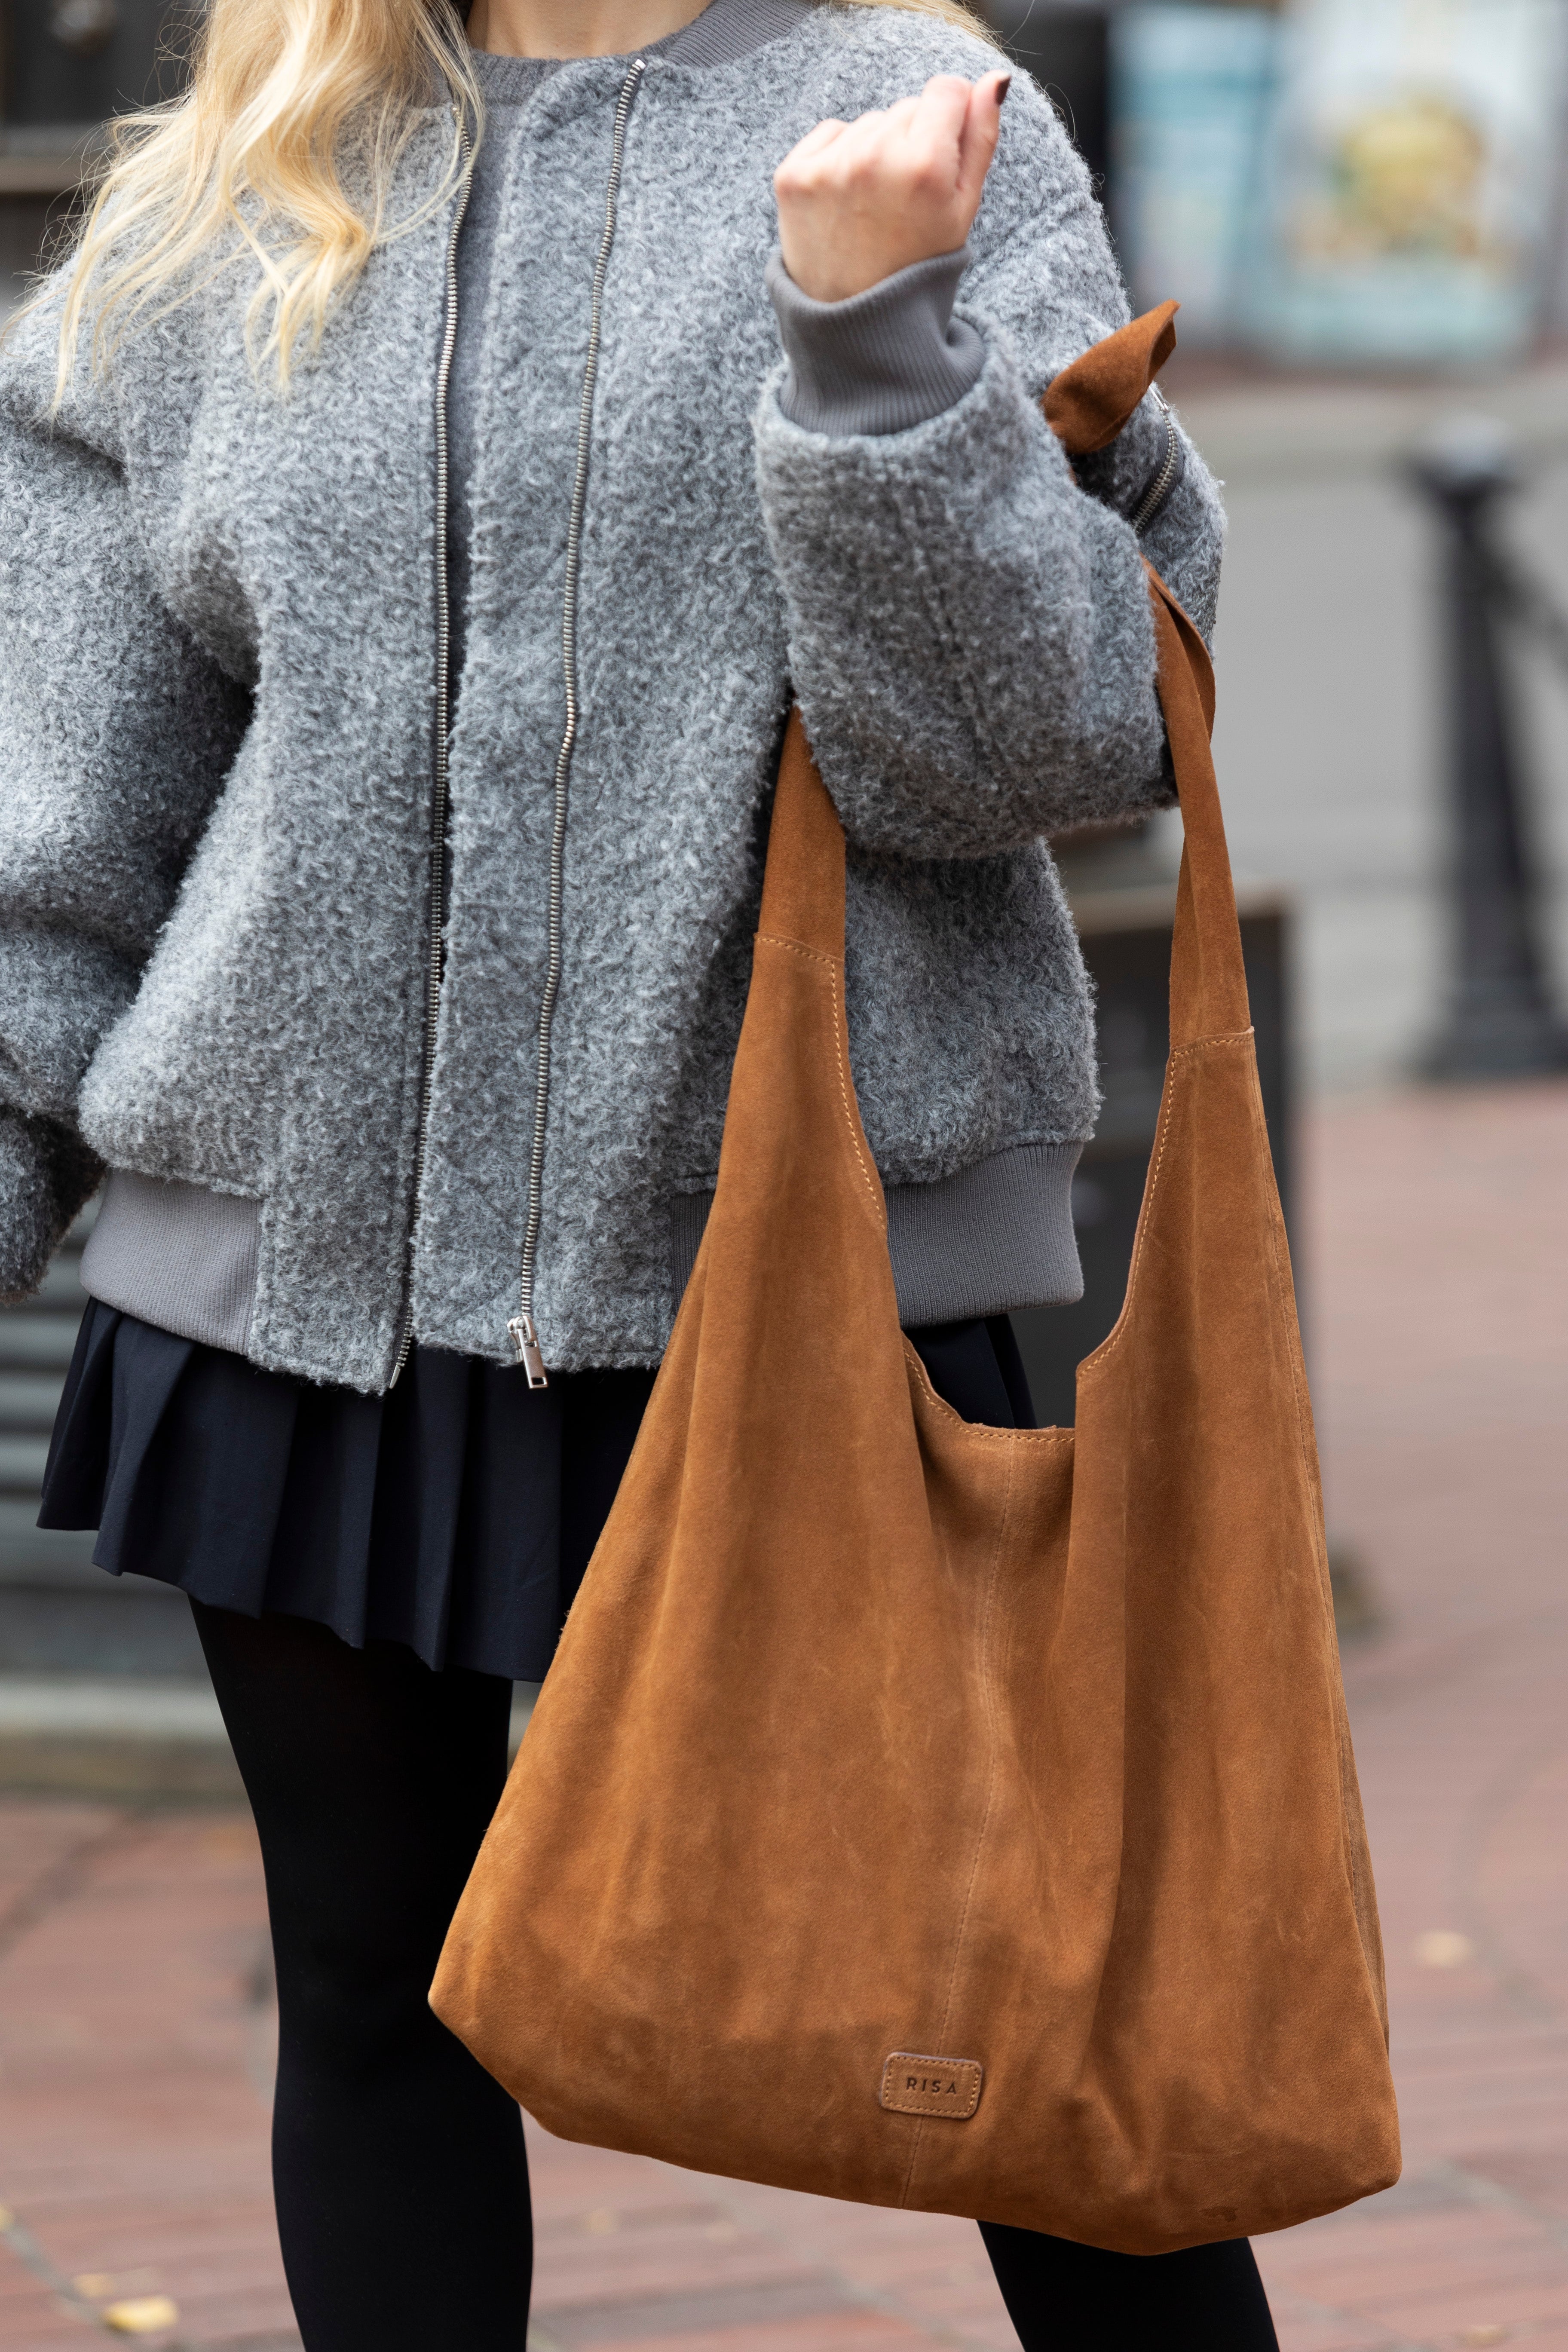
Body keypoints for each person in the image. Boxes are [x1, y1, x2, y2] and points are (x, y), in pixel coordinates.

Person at [0, 0, 1274, 2343]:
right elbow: (64, 795)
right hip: (297, 1287)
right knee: (375, 2003)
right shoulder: (252, 163)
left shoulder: (920, 115)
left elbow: (1053, 742)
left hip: (813, 1283)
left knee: (1039, 2018)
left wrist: (872, 332)